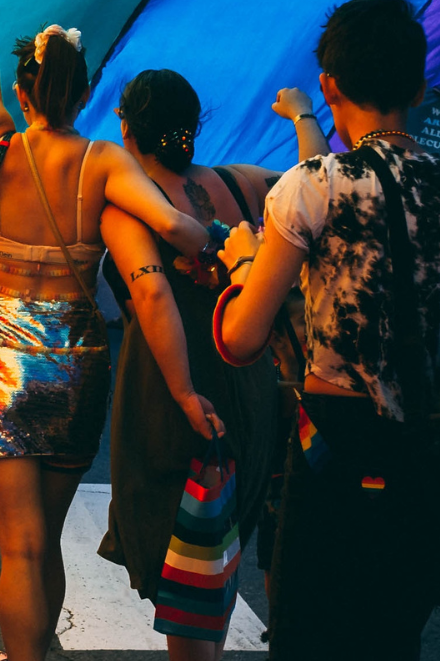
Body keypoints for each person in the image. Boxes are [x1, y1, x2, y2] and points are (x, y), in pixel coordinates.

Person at [0, 0, 211, 661]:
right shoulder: (102, 162)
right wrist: (220, 237)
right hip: (77, 359)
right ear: (87, 91)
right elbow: (175, 227)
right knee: (46, 541)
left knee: (16, 550)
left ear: (24, 89)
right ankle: (39, 650)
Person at [217, 0, 440, 660]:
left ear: (329, 85)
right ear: (419, 86)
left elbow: (241, 339)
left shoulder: (311, 186)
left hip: (333, 445)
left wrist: (242, 266)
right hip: (431, 449)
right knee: (393, 635)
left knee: (311, 634)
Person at [97, 69, 295, 661]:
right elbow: (317, 185)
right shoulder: (245, 182)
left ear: (128, 129)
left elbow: (154, 295)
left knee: (185, 563)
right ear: (192, 125)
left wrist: (182, 393)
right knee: (222, 545)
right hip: (250, 380)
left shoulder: (130, 207)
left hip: (173, 392)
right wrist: (306, 122)